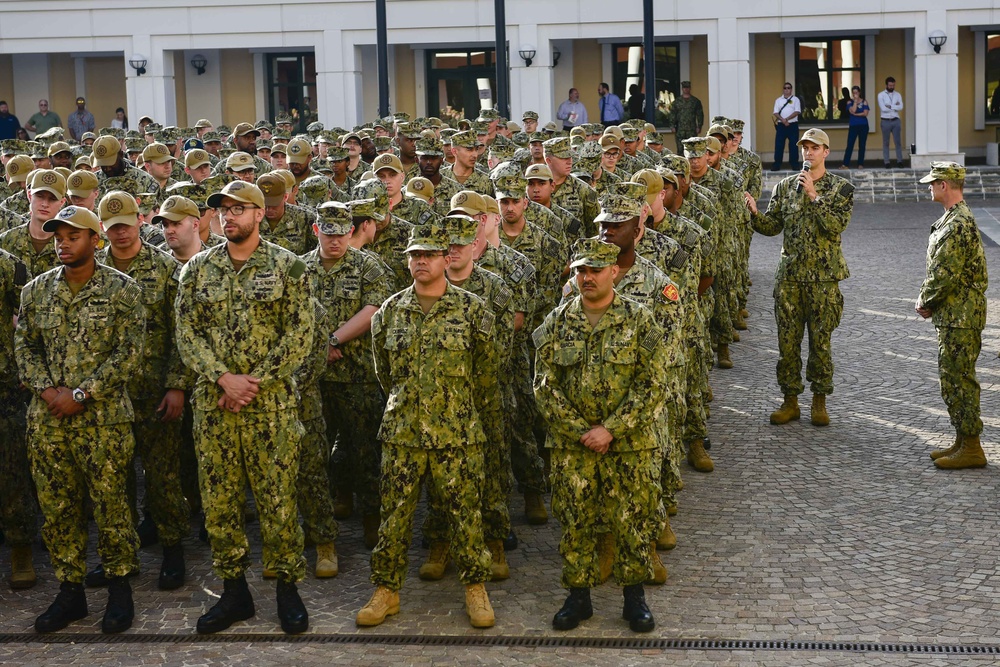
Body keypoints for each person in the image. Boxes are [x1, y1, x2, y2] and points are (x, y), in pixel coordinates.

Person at [174, 180, 315, 635]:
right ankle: (234, 592)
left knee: (277, 500)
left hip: (269, 406)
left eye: (239, 209)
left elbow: (300, 335)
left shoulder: (288, 267)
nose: (229, 216)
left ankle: (287, 589)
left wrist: (253, 383)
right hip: (215, 407)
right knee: (220, 504)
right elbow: (186, 334)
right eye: (223, 210)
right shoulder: (196, 270)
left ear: (260, 215)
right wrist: (223, 378)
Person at [356, 222, 498, 630]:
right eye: (414, 255)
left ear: (445, 259)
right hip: (403, 431)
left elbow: (487, 374)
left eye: (428, 255)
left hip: (458, 431)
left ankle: (475, 587)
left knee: (465, 515)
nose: (420, 261)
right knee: (394, 515)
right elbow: (385, 374)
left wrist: (463, 412)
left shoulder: (473, 310)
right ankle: (386, 589)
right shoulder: (389, 313)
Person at [15, 205, 144, 634]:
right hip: (48, 420)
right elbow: (24, 348)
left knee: (112, 507)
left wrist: (82, 394)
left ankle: (119, 589)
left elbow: (129, 352)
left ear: (95, 240)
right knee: (58, 509)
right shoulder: (35, 292)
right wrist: (50, 392)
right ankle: (69, 592)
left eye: (73, 236)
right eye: (58, 237)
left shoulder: (123, 290)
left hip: (103, 421)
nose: (63, 243)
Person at [533, 237, 667, 634]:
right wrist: (582, 432)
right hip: (573, 446)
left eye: (594, 269)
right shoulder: (557, 322)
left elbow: (653, 383)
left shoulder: (640, 319)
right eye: (580, 270)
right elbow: (544, 385)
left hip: (629, 444)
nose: (586, 277)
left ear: (614, 272)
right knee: (575, 520)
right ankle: (578, 597)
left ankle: (634, 598)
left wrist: (611, 429)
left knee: (632, 520)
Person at [744, 128, 854, 427]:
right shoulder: (784, 187)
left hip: (823, 279)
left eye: (814, 148)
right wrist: (755, 214)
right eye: (804, 147)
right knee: (787, 344)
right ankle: (790, 400)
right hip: (790, 279)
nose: (808, 152)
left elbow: (835, 225)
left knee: (821, 343)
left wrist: (814, 196)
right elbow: (772, 226)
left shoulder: (841, 189)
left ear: (825, 152)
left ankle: (819, 401)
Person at [915, 162, 989, 470]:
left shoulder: (957, 223)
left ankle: (972, 447)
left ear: (945, 185)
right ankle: (963, 439)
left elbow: (944, 274)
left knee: (959, 378)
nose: (929, 187)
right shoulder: (953, 218)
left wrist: (924, 301)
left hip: (960, 316)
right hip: (954, 314)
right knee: (953, 377)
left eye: (933, 182)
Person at [772, 83, 801, 171]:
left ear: (791, 89)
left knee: (793, 145)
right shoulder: (778, 100)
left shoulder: (795, 99)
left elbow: (797, 111)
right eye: (785, 88)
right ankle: (777, 164)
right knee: (779, 145)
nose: (786, 89)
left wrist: (787, 119)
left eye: (788, 88)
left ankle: (794, 164)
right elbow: (775, 112)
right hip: (781, 125)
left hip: (792, 125)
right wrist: (783, 120)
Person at [669, 81, 704, 152]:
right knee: (680, 150)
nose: (686, 89)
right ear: (682, 89)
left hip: (692, 130)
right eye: (684, 88)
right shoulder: (677, 101)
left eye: (687, 88)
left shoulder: (695, 101)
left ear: (690, 88)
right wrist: (672, 126)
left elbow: (700, 114)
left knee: (692, 149)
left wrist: (699, 126)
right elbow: (673, 114)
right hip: (680, 129)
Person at [878, 76, 904, 168]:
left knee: (898, 142)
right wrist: (894, 106)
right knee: (886, 142)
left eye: (893, 85)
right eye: (890, 85)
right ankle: (887, 162)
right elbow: (883, 108)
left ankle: (899, 161)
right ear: (886, 85)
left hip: (896, 120)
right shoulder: (881, 95)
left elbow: (901, 107)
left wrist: (890, 106)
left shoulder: (898, 95)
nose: (892, 87)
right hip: (885, 121)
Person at [842, 86, 870, 169]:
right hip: (853, 125)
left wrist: (856, 114)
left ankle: (860, 163)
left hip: (863, 125)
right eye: (853, 93)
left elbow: (865, 113)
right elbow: (852, 110)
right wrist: (855, 102)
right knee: (850, 144)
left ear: (859, 92)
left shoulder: (864, 102)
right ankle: (845, 164)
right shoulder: (849, 102)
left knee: (862, 145)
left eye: (856, 93)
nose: (855, 94)